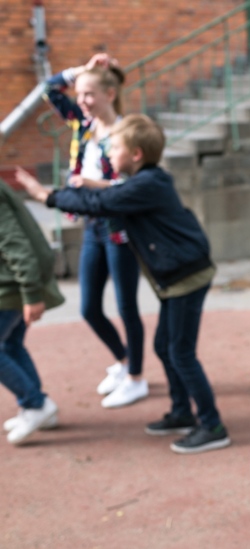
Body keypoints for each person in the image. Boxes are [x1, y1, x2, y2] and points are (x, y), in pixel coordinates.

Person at [17, 114, 230, 455]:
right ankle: (181, 412)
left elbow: (103, 204)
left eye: (114, 148)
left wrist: (47, 196)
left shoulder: (146, 185)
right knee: (165, 347)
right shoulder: (148, 179)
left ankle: (212, 425)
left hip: (186, 278)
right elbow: (113, 192)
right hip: (174, 278)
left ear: (135, 154)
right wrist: (91, 184)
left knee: (180, 352)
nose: (109, 153)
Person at [19, 53, 147, 409]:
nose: (83, 100)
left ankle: (136, 378)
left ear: (110, 94)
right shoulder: (82, 123)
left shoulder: (127, 131)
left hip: (119, 228)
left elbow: (135, 185)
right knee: (89, 308)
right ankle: (124, 361)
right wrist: (79, 71)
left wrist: (93, 185)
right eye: (80, 94)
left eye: (89, 93)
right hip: (92, 224)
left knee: (126, 307)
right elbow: (48, 89)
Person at [0, 178, 64, 445]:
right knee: (11, 345)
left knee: (7, 346)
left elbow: (14, 241)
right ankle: (37, 408)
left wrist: (31, 292)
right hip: (13, 283)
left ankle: (36, 405)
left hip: (10, 287)